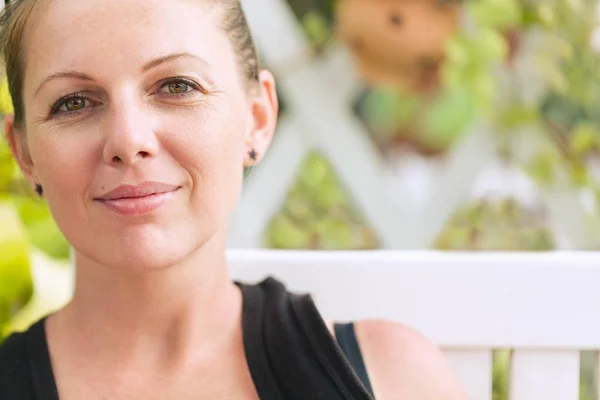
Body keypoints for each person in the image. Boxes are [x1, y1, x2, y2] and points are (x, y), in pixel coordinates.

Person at [0, 0, 467, 398]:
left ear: (258, 118)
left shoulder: (393, 379)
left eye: (177, 86)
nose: (128, 139)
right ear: (24, 153)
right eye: (74, 102)